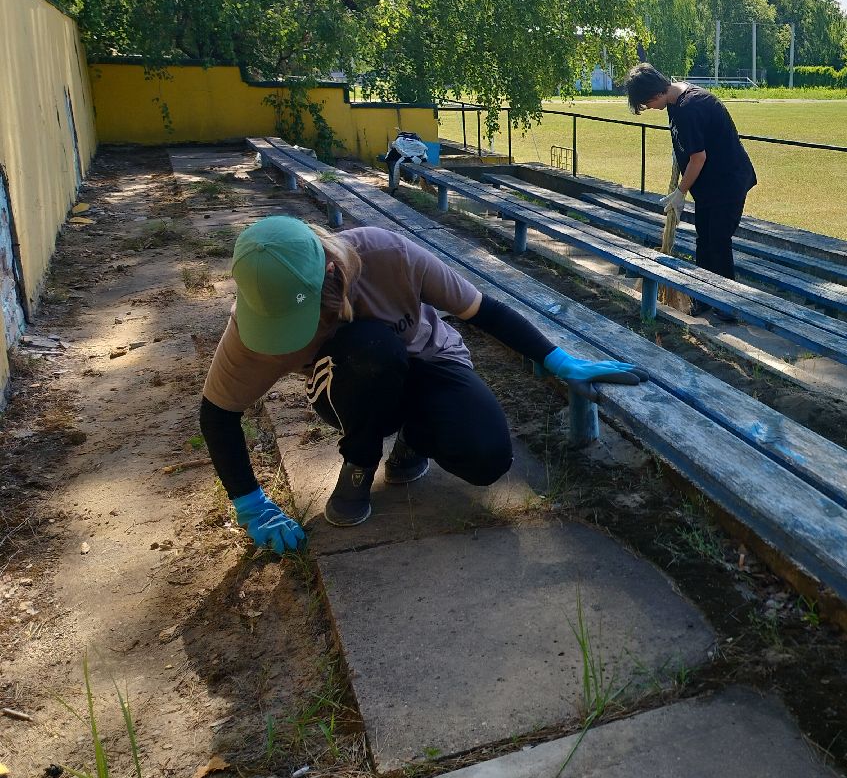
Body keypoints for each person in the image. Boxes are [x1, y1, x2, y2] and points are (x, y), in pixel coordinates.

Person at [200, 215, 646, 551]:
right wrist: (251, 504)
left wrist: (557, 359)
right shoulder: (252, 326)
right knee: (370, 349)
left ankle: (413, 439)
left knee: (488, 457)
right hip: (349, 387)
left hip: (429, 360)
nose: (298, 333)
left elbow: (482, 310)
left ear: (332, 272)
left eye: (307, 316)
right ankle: (360, 463)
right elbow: (218, 413)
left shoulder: (387, 255)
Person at [623, 63, 758, 320]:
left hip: (727, 183)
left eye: (646, 103)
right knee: (703, 240)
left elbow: (698, 158)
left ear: (655, 93)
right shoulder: (675, 103)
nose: (648, 108)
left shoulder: (690, 107)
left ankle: (727, 305)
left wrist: (680, 192)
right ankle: (704, 296)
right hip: (709, 186)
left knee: (718, 242)